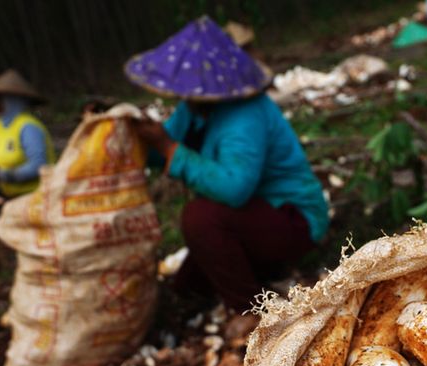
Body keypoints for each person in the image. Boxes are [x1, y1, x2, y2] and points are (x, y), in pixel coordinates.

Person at [124, 16, 329, 336]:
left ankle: (250, 310)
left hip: (291, 218)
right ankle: (264, 271)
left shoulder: (245, 113)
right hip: (253, 217)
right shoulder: (194, 107)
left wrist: (167, 147)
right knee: (187, 287)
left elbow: (235, 189)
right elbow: (164, 146)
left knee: (200, 218)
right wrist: (140, 136)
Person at [0, 69, 56, 198]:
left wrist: (2, 175)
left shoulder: (28, 126)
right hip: (10, 194)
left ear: (12, 100)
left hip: (38, 195)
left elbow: (39, 166)